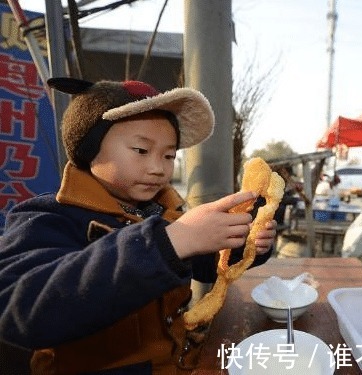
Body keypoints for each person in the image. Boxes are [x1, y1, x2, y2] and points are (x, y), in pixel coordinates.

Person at [0, 77, 277, 374]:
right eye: (141, 150)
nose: (158, 168)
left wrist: (245, 244)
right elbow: (19, 308)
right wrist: (170, 242)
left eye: (169, 155)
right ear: (88, 149)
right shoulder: (48, 217)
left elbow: (207, 265)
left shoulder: (163, 214)